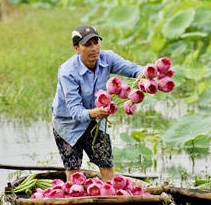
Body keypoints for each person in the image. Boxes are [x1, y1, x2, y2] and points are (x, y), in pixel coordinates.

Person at [51, 24, 143, 182]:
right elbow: (76, 112)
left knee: (106, 164)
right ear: (76, 48)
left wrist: (145, 75)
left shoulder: (107, 58)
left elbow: (133, 69)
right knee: (73, 170)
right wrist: (96, 112)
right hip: (68, 124)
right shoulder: (67, 72)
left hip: (95, 121)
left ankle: (110, 195)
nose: (94, 48)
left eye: (96, 42)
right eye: (87, 44)